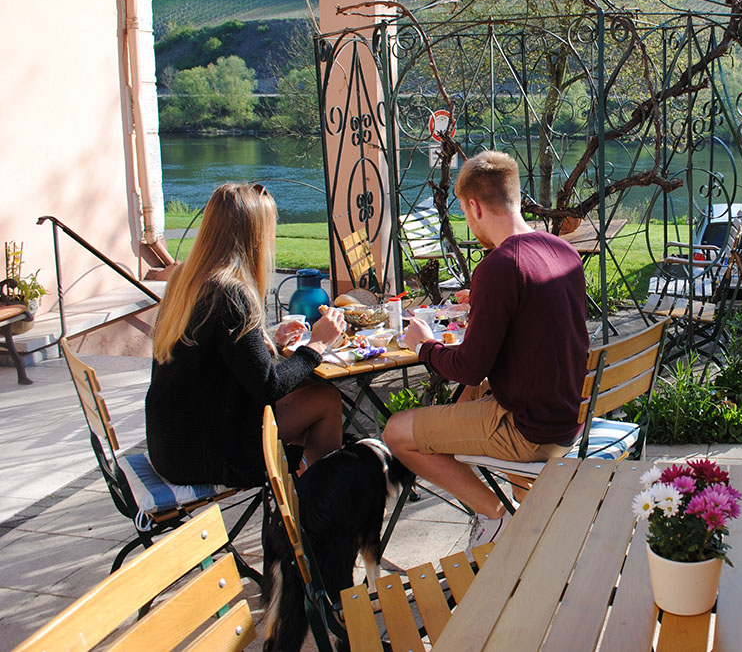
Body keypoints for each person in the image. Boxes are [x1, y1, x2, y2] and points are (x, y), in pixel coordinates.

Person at [382, 150, 589, 549]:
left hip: (528, 431)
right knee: (463, 403)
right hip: (567, 415)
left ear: (474, 206)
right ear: (514, 196)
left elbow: (469, 367)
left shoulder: (499, 266)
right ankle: (525, 522)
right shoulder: (562, 251)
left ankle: (493, 516)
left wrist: (423, 345)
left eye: (463, 211)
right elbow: (534, 314)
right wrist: (482, 298)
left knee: (397, 432)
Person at [146, 182, 347, 488]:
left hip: (172, 443)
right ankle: (321, 497)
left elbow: (214, 354)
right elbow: (269, 387)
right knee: (326, 399)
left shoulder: (186, 279)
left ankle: (306, 485)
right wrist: (318, 343)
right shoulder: (230, 294)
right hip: (208, 452)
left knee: (307, 385)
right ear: (254, 236)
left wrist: (270, 340)